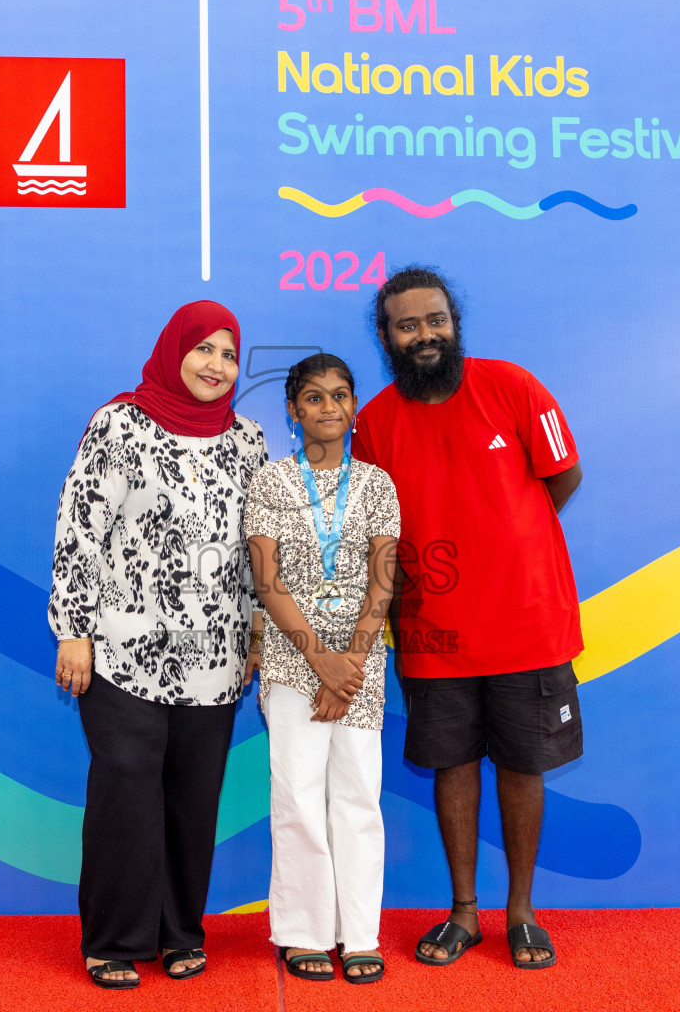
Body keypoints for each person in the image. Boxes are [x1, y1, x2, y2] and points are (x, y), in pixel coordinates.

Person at [350, 267, 585, 971]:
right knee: (452, 766)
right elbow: (373, 526)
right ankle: (463, 913)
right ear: (385, 337)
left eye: (436, 320)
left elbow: (562, 475)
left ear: (454, 323)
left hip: (527, 625)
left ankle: (520, 912)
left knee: (522, 764)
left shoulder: (514, 386)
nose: (424, 335)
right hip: (432, 633)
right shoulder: (376, 423)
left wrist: (513, 545)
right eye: (407, 325)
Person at [48, 300, 269, 990]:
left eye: (229, 355)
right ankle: (113, 939)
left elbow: (263, 551)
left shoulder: (249, 441)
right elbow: (80, 529)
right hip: (120, 654)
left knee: (193, 801)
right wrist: (73, 631)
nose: (216, 365)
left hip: (217, 660)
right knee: (125, 795)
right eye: (203, 348)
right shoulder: (120, 425)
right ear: (174, 350)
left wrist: (259, 631)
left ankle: (180, 933)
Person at [245, 355, 399, 985]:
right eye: (313, 397)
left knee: (359, 797)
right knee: (299, 796)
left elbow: (383, 578)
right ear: (293, 409)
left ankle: (360, 933)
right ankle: (305, 931)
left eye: (340, 395)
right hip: (291, 659)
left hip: (360, 664)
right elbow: (265, 578)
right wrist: (318, 660)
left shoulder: (379, 484)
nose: (328, 407)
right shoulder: (271, 482)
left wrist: (351, 663)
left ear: (354, 404)